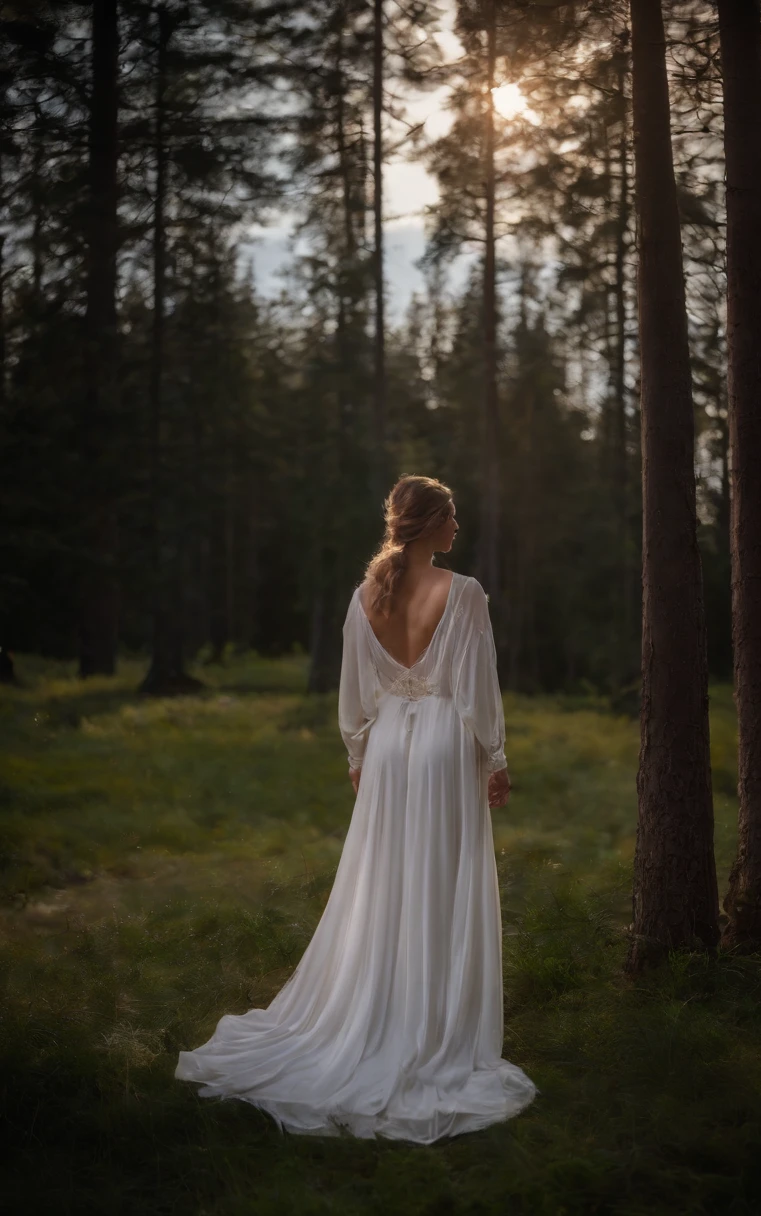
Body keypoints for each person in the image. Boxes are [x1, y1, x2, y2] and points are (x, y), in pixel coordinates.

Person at [175, 475, 539, 1142]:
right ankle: (428, 1027)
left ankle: (379, 1010)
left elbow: (355, 694)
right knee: (440, 880)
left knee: (388, 882)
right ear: (428, 525)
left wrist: (357, 756)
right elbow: (477, 690)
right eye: (451, 517)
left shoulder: (366, 595)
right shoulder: (464, 594)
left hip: (389, 752)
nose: (458, 527)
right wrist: (497, 756)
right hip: (442, 744)